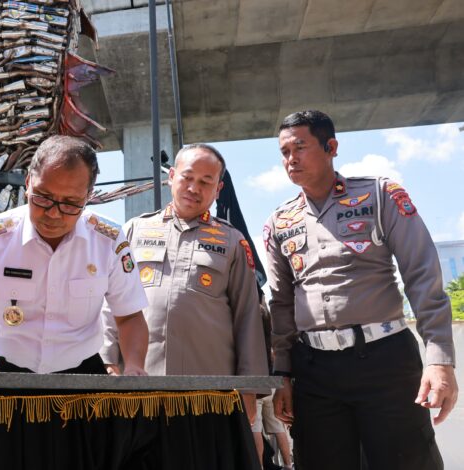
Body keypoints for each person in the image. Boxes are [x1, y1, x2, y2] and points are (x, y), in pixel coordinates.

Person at [265, 110, 458, 469]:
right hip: (315, 371)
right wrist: (282, 374)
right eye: (284, 152)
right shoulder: (280, 221)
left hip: (385, 361)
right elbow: (280, 304)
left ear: (331, 146)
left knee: (408, 461)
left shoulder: (380, 194)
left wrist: (440, 359)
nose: (291, 160)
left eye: (300, 148)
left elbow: (421, 273)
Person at [0, 135, 149, 375]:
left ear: (88, 196)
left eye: (70, 204)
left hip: (83, 374)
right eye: (43, 198)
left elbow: (129, 316)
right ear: (28, 183)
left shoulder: (107, 240)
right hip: (6, 373)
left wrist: (135, 366)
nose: (53, 214)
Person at [99, 144, 268, 419]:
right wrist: (107, 361)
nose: (194, 188)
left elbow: (248, 318)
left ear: (218, 189)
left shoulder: (232, 241)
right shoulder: (133, 231)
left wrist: (249, 389)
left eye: (205, 182)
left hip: (210, 394)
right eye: (187, 178)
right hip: (139, 387)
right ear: (171, 177)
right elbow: (111, 303)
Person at [251, 392, 293, 470]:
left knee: (255, 430)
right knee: (279, 429)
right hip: (272, 389)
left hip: (255, 390)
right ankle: (288, 466)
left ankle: (260, 467)